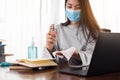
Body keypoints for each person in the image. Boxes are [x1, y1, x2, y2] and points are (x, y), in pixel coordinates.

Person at [42, 0, 100, 66]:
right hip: (59, 74)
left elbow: (94, 58)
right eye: (69, 6)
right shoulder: (57, 29)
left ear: (85, 9)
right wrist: (49, 48)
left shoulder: (92, 31)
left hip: (83, 73)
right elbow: (45, 62)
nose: (73, 10)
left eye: (78, 7)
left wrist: (76, 54)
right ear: (65, 7)